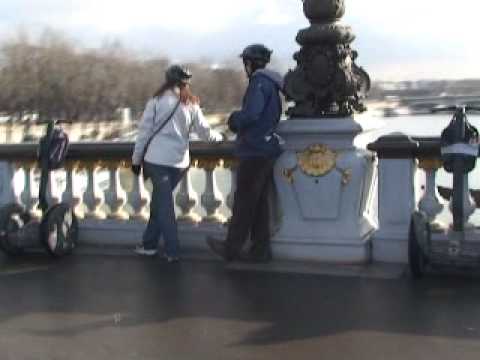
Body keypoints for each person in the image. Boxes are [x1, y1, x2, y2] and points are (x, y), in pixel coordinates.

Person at [131, 65, 223, 262]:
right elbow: (205, 132)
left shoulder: (156, 101)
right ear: (185, 83)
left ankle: (172, 250)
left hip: (156, 161)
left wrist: (136, 160)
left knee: (163, 207)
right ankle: (149, 244)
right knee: (159, 202)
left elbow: (144, 134)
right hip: (180, 163)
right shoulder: (191, 104)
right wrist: (220, 137)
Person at [206, 44, 284, 263]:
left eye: (245, 63)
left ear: (251, 63)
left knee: (244, 202)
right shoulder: (273, 84)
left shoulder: (259, 83)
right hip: (266, 148)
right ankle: (261, 250)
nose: (244, 67)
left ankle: (231, 248)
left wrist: (234, 120)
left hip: (254, 149)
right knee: (259, 204)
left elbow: (251, 114)